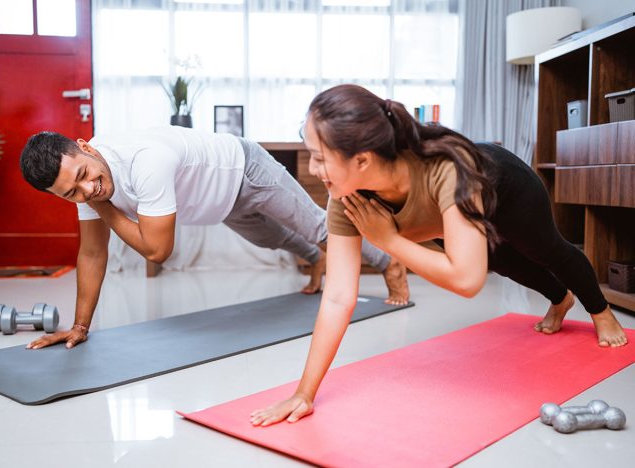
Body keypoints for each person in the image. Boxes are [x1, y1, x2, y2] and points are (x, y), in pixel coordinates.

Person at [249, 84, 628, 427]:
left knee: (546, 250)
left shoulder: (448, 169)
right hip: (449, 220)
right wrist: (305, 393)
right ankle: (560, 299)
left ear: (362, 160)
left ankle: (601, 311)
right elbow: (337, 297)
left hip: (508, 190)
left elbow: (466, 281)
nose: (313, 170)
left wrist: (388, 239)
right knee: (505, 263)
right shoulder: (345, 197)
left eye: (319, 157)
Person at [19, 126, 409, 349]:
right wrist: (79, 326)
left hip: (246, 170)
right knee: (273, 240)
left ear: (85, 148)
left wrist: (105, 208)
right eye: (72, 192)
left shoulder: (143, 161)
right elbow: (91, 254)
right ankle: (316, 260)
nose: (87, 191)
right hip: (222, 205)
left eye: (85, 175)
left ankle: (389, 262)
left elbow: (157, 250)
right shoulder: (85, 185)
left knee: (318, 227)